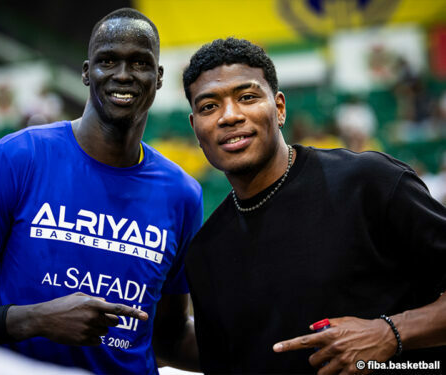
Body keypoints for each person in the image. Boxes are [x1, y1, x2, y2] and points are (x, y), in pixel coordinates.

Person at [0, 8, 202, 375]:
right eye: (108, 60)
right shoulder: (19, 157)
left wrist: (273, 349)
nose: (124, 75)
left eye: (140, 63)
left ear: (158, 77)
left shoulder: (182, 194)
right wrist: (31, 319)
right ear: (86, 72)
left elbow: (170, 336)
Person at [182, 37, 446, 374]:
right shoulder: (206, 254)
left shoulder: (369, 182)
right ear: (195, 128)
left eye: (247, 97)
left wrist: (391, 333)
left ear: (279, 108)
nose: (230, 116)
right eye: (209, 107)